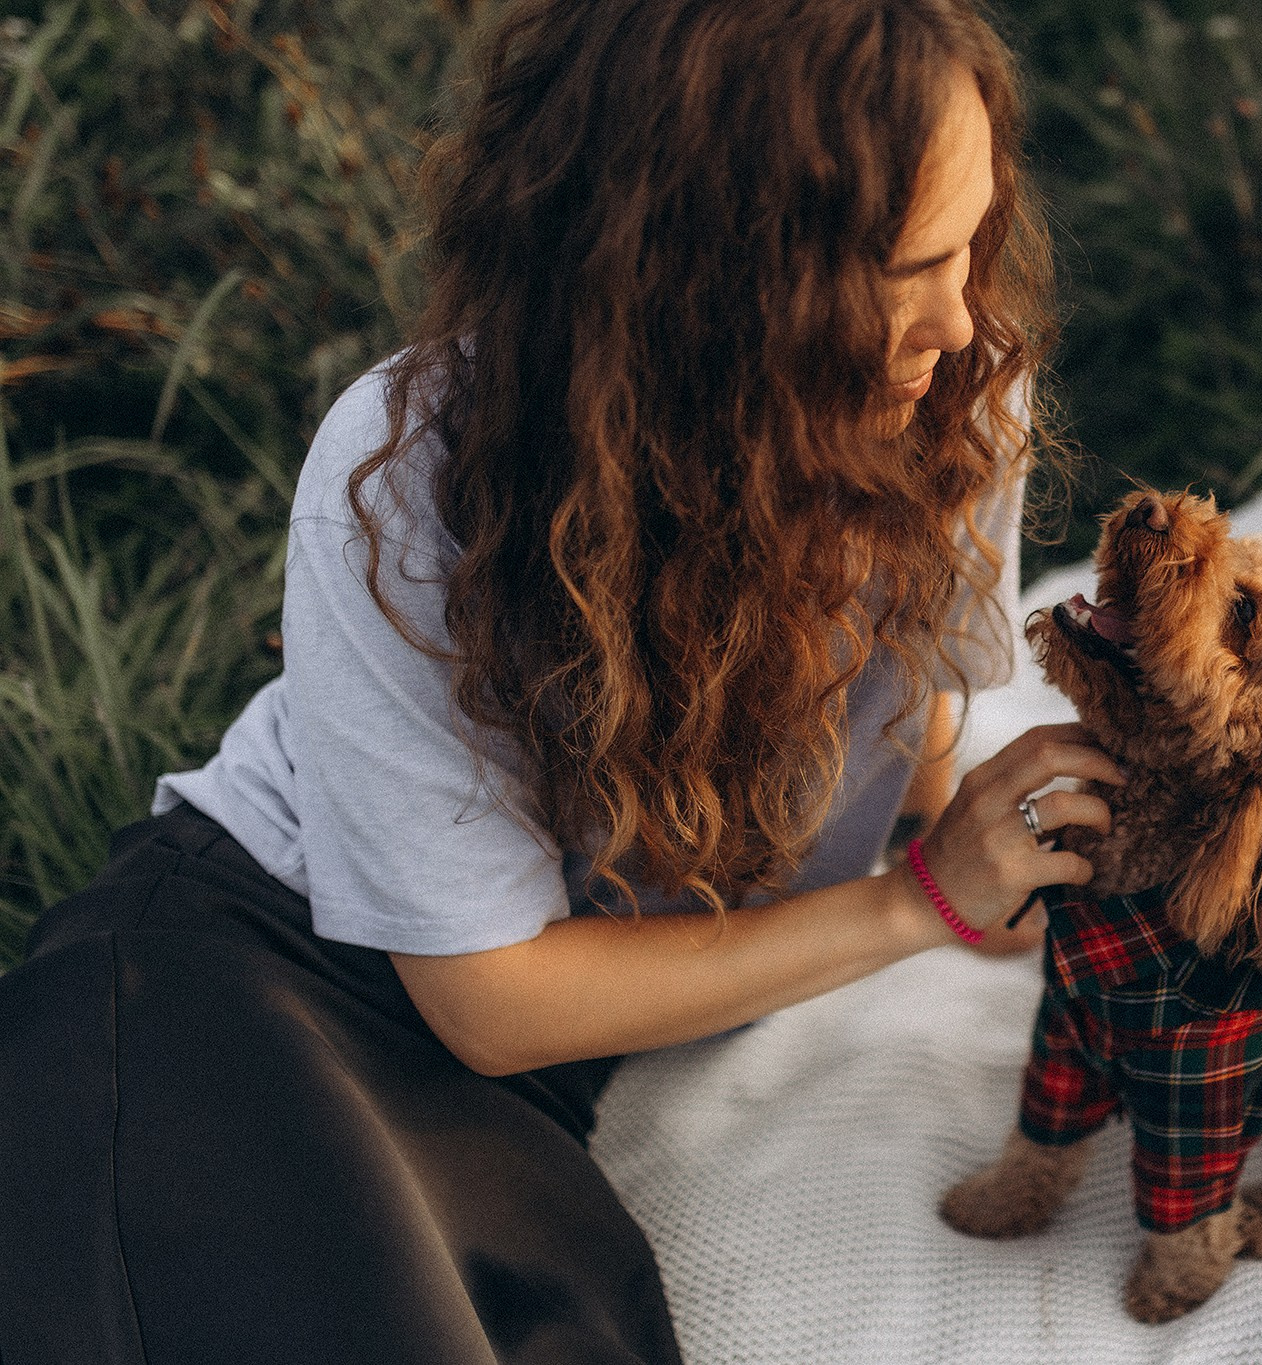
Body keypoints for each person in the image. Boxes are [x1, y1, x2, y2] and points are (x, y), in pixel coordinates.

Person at [0, 1, 1121, 1360]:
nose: (962, 316)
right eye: (909, 265)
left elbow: (913, 775)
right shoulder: (416, 470)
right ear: (714, 277)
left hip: (545, 1070)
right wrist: (917, 902)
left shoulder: (950, 408)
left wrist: (1017, 853)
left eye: (976, 240)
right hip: (270, 973)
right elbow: (492, 998)